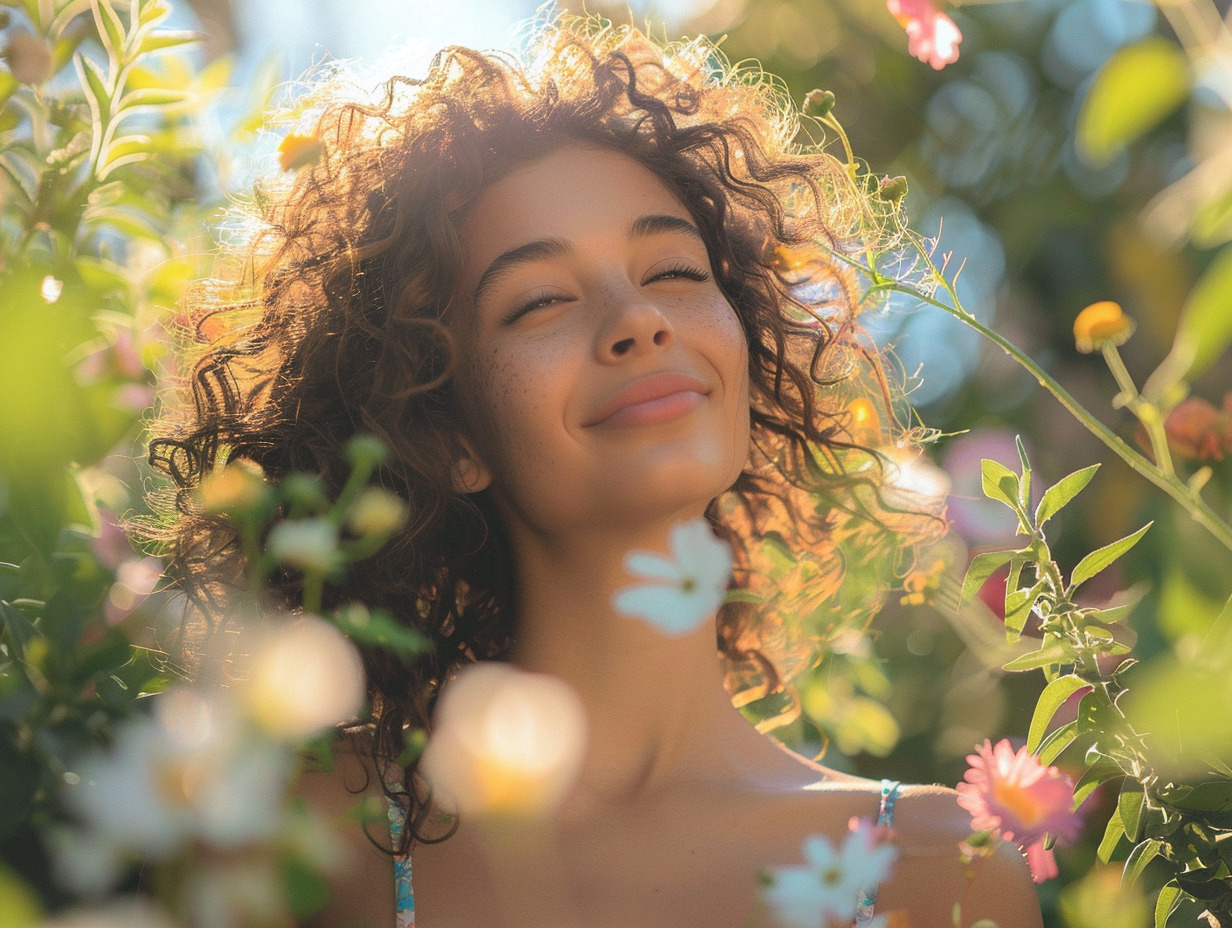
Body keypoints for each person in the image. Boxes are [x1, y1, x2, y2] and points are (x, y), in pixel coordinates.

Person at [150, 14, 1043, 928]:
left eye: (674, 272)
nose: (638, 319)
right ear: (443, 432)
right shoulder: (301, 828)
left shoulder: (942, 875)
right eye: (540, 300)